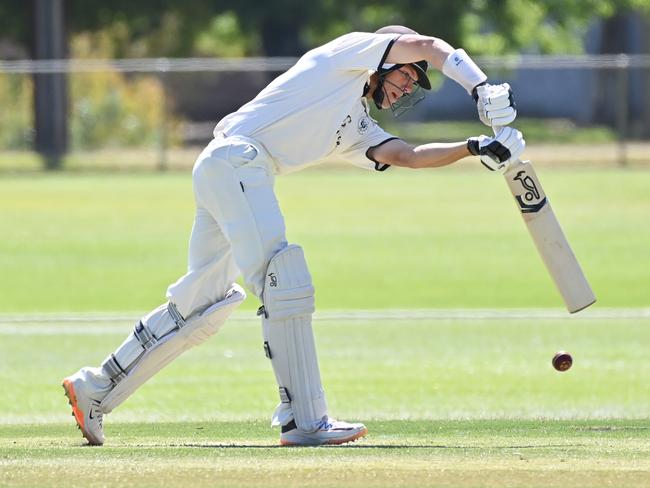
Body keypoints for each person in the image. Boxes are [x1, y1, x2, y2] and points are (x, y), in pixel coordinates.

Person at [62, 25, 524, 447]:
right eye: (406, 75)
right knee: (285, 279)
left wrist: (475, 147)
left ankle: (95, 388)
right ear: (383, 60)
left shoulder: (356, 123)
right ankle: (303, 419)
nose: (408, 85)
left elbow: (408, 154)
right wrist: (480, 84)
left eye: (414, 83)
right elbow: (428, 46)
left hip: (228, 168)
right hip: (239, 162)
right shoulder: (346, 56)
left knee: (202, 303)